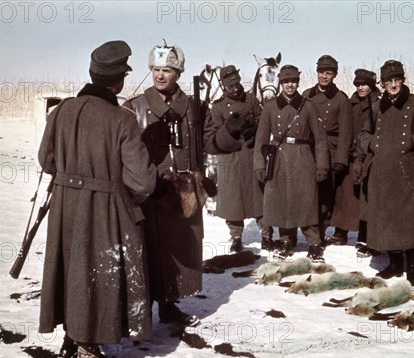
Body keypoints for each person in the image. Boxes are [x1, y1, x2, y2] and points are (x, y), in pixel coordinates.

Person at [38, 40, 157, 358]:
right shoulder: (123, 120)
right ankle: (88, 355)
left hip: (64, 208)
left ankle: (71, 340)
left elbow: (45, 160)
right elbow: (142, 182)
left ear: (92, 74)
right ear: (118, 81)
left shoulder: (60, 111)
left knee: (71, 272)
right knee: (97, 278)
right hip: (103, 209)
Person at [124, 42, 204, 327]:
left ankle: (170, 305)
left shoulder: (194, 107)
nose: (160, 75)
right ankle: (142, 310)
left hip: (184, 195)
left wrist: (231, 133)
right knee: (150, 252)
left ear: (178, 73)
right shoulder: (134, 107)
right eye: (156, 69)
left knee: (180, 252)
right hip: (150, 194)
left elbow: (211, 143)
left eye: (167, 70)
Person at [359, 60, 414, 287]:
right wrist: (373, 143)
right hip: (383, 172)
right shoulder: (376, 107)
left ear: (403, 81)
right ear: (382, 84)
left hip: (409, 172)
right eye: (388, 82)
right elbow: (363, 134)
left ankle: (413, 271)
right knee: (387, 219)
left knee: (410, 222)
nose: (393, 85)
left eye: (397, 80)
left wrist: (410, 143)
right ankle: (395, 263)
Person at [253, 64, 329, 262]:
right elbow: (260, 140)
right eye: (286, 81)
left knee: (307, 201)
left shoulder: (308, 106)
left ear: (298, 82)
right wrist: (259, 165)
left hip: (303, 158)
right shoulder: (270, 107)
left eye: (293, 81)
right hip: (278, 159)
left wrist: (322, 166)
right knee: (282, 200)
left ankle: (314, 243)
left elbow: (320, 139)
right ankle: (285, 241)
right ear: (281, 83)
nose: (290, 85)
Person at [203, 65, 274, 252]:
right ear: (224, 86)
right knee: (233, 201)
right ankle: (236, 238)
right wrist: (231, 129)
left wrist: (255, 127)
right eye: (230, 86)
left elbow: (264, 120)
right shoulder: (217, 107)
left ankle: (267, 235)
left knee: (260, 198)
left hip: (252, 155)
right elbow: (216, 134)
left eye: (236, 84)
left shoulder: (251, 99)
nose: (235, 89)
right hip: (231, 157)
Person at [302, 55, 354, 246]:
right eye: (321, 72)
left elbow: (346, 133)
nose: (324, 76)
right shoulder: (306, 95)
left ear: (334, 75)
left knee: (325, 194)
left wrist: (340, 160)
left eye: (328, 73)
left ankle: (320, 232)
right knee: (309, 191)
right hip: (309, 150)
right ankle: (310, 230)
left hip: (330, 151)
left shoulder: (341, 99)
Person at [348, 68, 381, 258]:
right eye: (358, 85)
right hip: (358, 153)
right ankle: (363, 234)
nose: (361, 88)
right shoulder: (351, 104)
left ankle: (372, 238)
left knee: (371, 197)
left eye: (365, 85)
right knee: (362, 197)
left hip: (372, 153)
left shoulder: (378, 103)